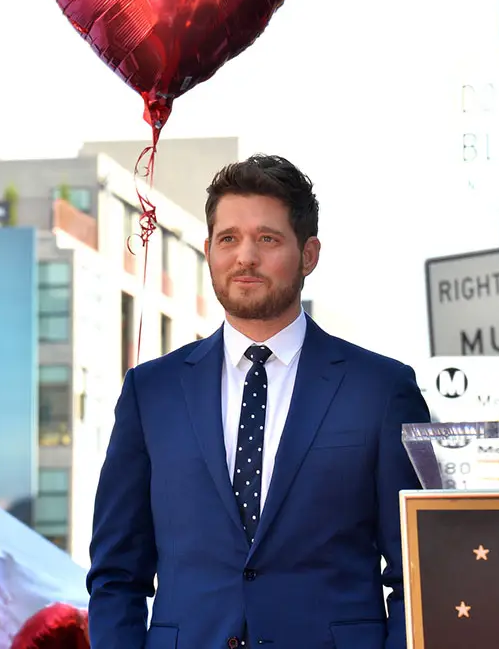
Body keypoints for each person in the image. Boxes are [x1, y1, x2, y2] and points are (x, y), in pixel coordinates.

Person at [87, 154, 431, 649]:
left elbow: (413, 575)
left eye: (267, 239)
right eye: (228, 239)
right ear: (208, 250)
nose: (245, 256)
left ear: (308, 254)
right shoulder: (151, 392)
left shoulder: (380, 390)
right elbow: (116, 574)